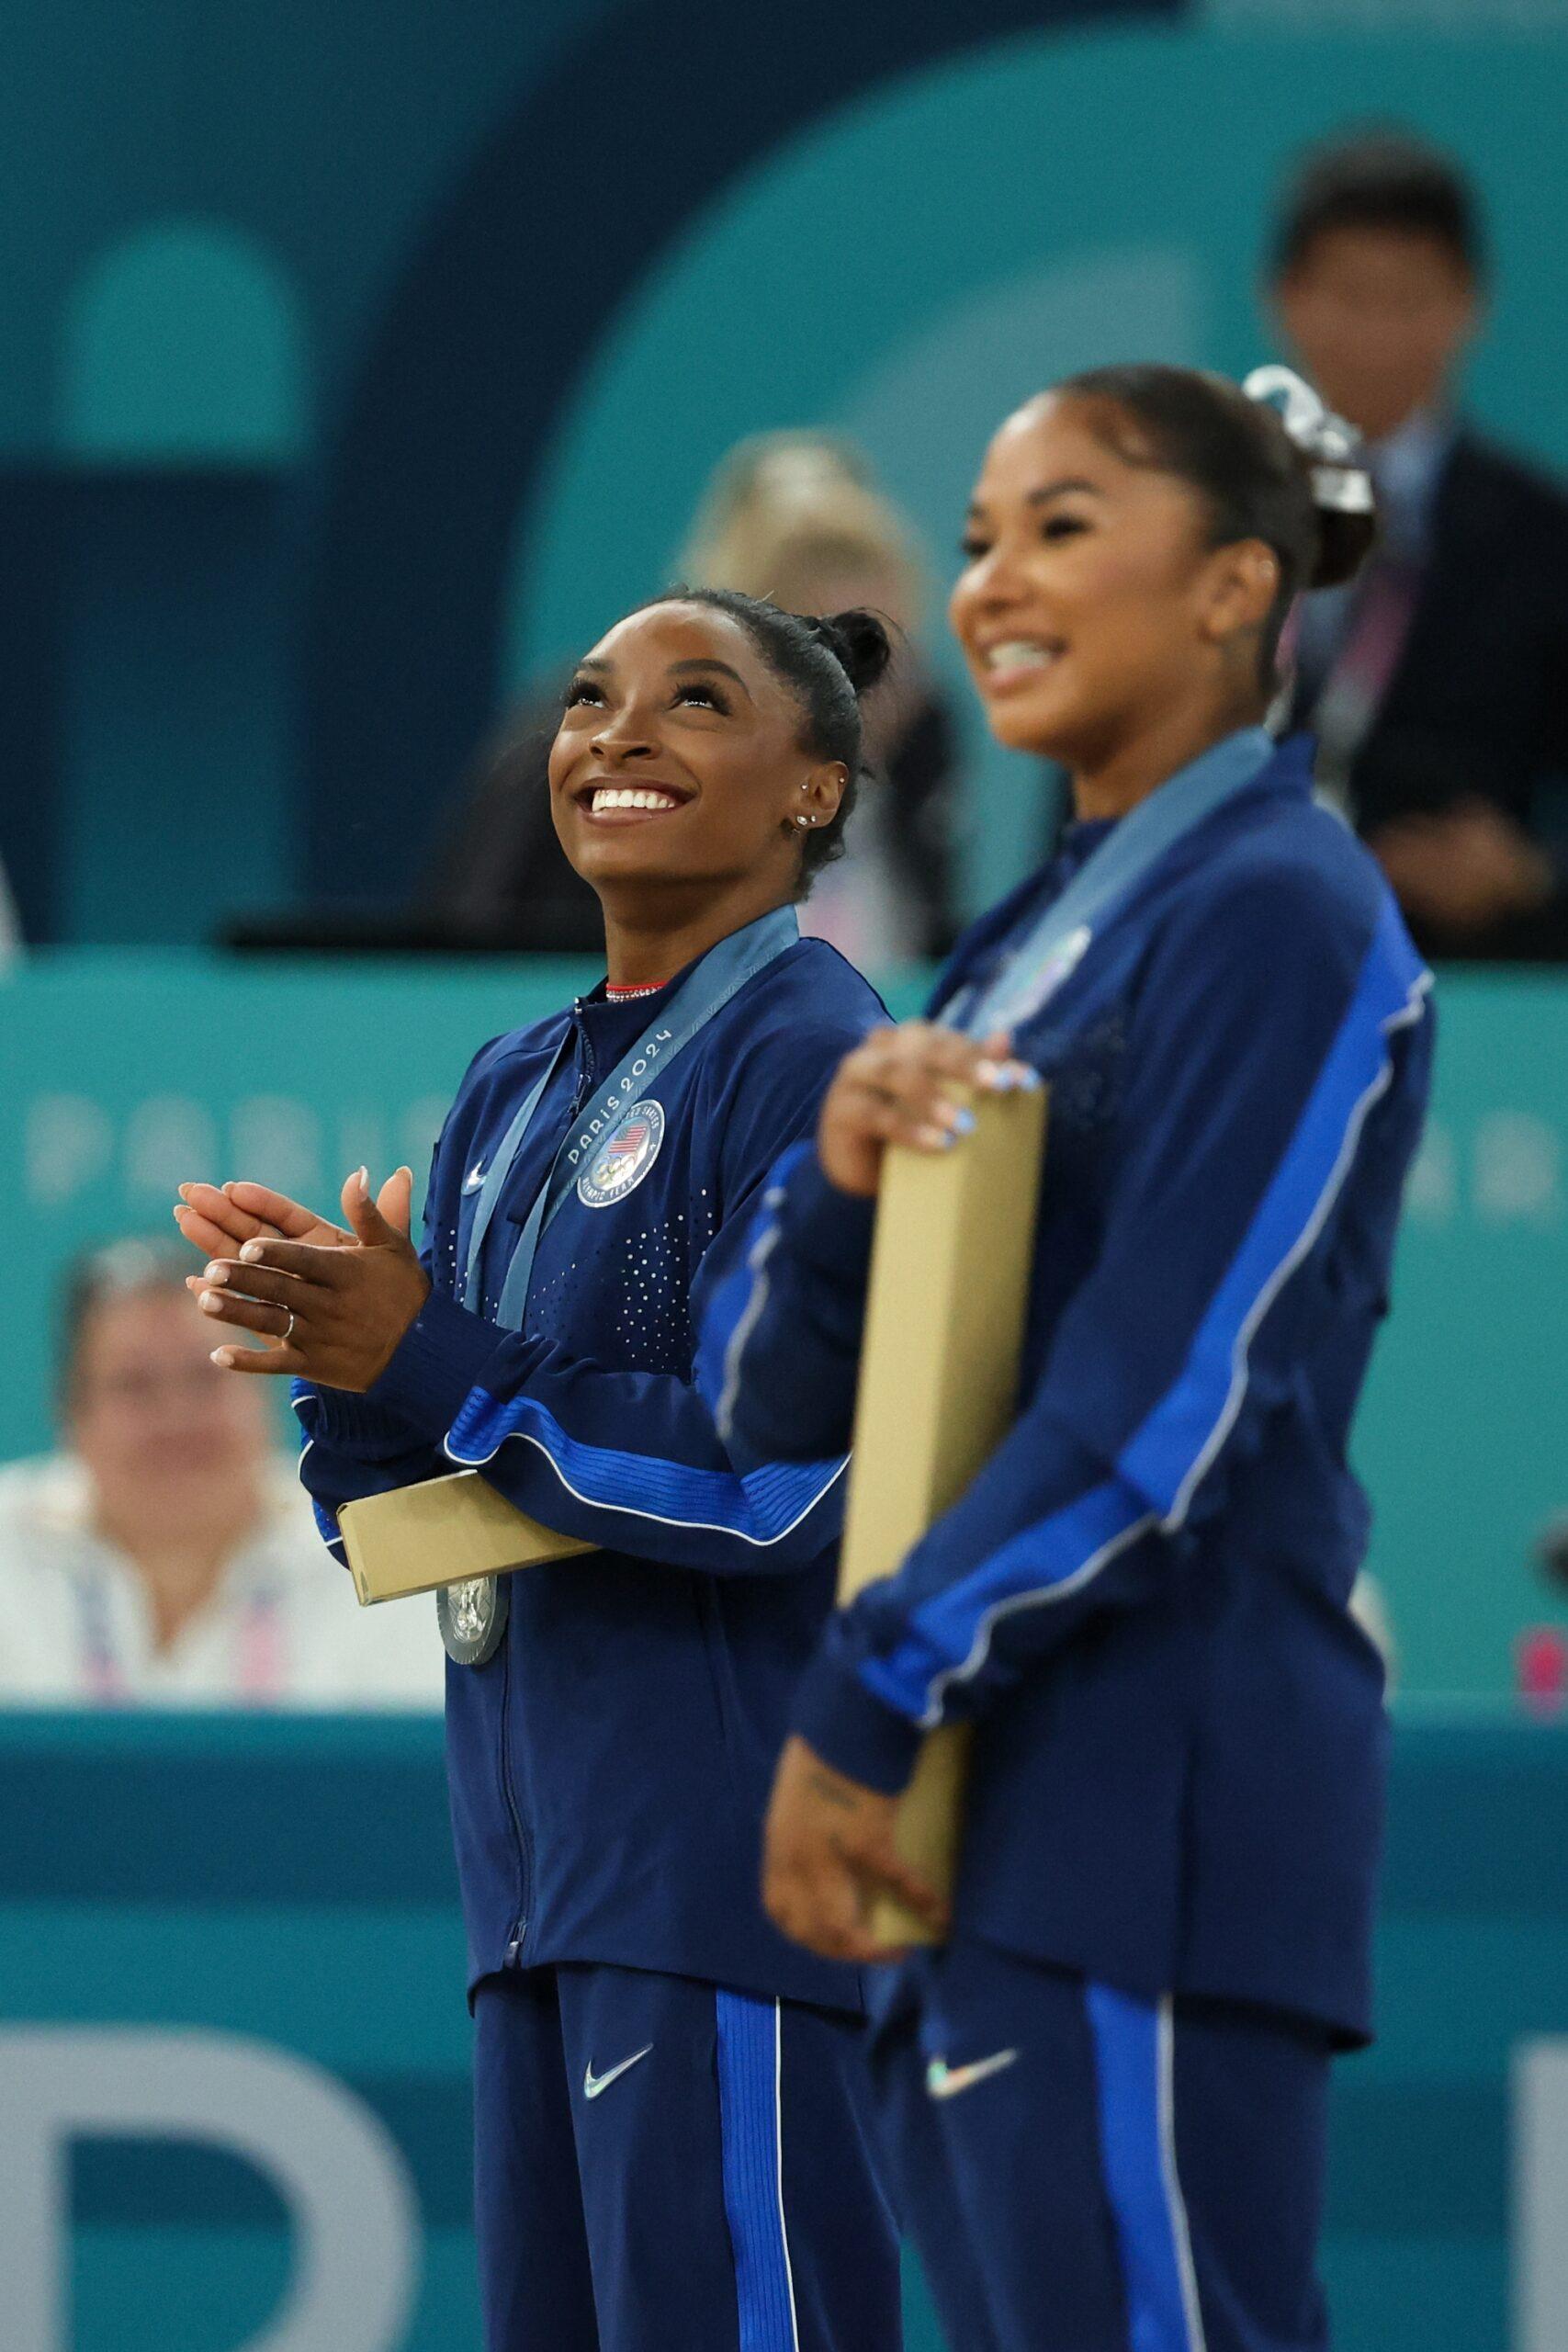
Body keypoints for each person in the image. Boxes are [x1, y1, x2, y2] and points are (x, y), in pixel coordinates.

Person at [709, 367, 1434, 2351]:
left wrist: (864, 1697)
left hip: (1145, 1813)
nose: (988, 584)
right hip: (975, 1829)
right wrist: (842, 1186)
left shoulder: (1283, 907)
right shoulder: (1021, 936)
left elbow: (1168, 1417)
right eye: (973, 542)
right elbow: (770, 1408)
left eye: (1059, 525)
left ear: (1226, 588)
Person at [176, 592, 903, 2352]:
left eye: (696, 702)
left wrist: (423, 1349)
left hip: (724, 1875)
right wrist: (342, 1370)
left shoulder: (813, 1053)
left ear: (813, 791)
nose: (617, 735)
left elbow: (775, 1484)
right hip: (535, 1886)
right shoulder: (509, 1087)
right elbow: (437, 1526)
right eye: (589, 701)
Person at [426, 433, 964, 964]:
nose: (866, 701)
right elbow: (468, 965)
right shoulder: (583, 743)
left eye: (880, 660)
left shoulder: (916, 745)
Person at [1268, 127, 1568, 958]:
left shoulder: (1543, 539)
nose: (1377, 337)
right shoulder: (1200, 524)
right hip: (1227, 978)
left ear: (1468, 304)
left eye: (1409, 299)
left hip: (1471, 993)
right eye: (1350, 296)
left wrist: (1528, 872)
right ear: (1284, 297)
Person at [0, 1239, 441, 1705]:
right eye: (135, 1386)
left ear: (264, 1395)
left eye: (206, 1376)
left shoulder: (370, 1551)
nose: (176, 1418)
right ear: (73, 1416)